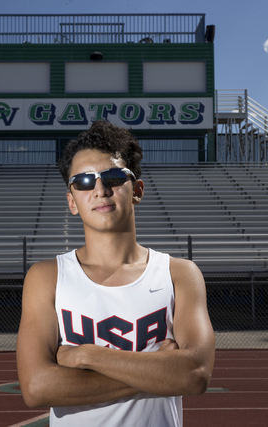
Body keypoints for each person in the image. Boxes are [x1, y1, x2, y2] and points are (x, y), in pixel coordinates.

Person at [16, 120, 215, 426]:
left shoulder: (179, 274)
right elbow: (37, 387)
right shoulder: (47, 277)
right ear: (72, 201)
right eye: (82, 181)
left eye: (112, 176)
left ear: (136, 190)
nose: (99, 189)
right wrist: (157, 369)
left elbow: (194, 375)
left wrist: (87, 356)